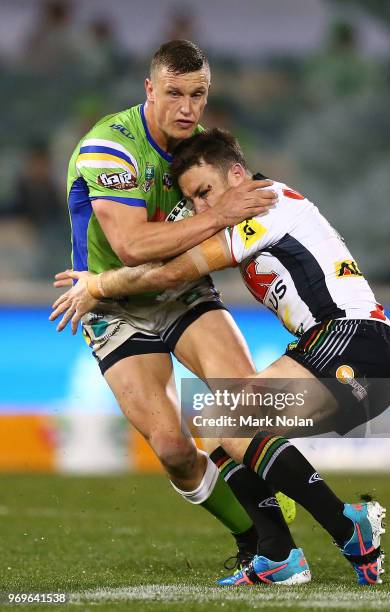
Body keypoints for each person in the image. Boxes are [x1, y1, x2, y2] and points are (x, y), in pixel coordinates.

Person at [52, 128, 390, 586]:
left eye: (205, 192)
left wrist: (99, 286)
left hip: (355, 341)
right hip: (334, 349)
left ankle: (346, 524)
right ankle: (278, 553)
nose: (202, 208)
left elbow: (177, 270)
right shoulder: (247, 214)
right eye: (193, 200)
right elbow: (166, 259)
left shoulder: (266, 202)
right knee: (215, 420)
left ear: (237, 174)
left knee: (222, 416)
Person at [54, 39, 298, 571]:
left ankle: (280, 549)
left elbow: (250, 218)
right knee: (172, 448)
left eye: (199, 94)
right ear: (149, 90)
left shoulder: (205, 151)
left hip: (182, 290)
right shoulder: (109, 147)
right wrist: (218, 215)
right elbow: (132, 246)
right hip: (112, 304)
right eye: (174, 94)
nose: (188, 108)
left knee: (243, 404)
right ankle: (251, 530)